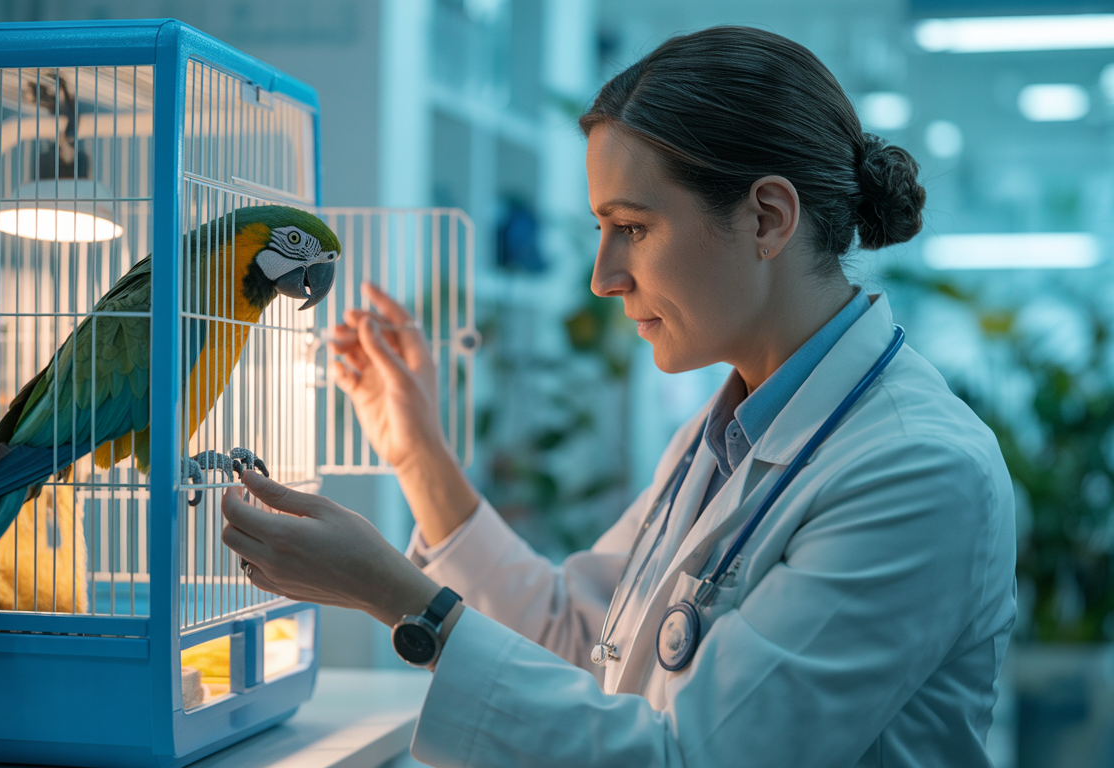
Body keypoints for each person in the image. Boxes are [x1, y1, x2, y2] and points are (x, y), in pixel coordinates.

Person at [219, 25, 1016, 768]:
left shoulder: (916, 471)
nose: (603, 277)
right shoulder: (732, 434)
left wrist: (398, 598)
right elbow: (576, 636)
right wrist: (418, 452)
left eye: (631, 227)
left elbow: (691, 758)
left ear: (767, 218)